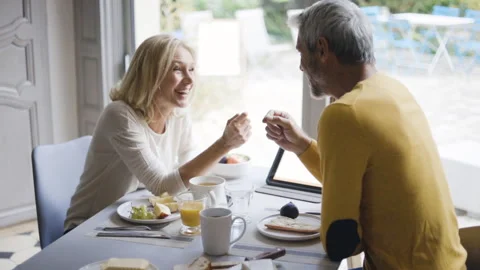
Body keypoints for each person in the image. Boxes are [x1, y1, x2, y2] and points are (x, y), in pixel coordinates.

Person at [262, 0, 467, 269]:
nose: (301, 66)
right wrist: (301, 145)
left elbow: (340, 243)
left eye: (302, 52)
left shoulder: (345, 113)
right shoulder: (392, 90)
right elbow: (359, 180)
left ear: (322, 49)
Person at [65, 35, 251, 232]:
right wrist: (224, 145)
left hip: (136, 223)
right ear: (150, 74)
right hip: (89, 228)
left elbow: (189, 175)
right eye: (177, 69)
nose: (189, 80)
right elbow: (162, 187)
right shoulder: (120, 115)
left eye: (192, 69)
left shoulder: (177, 114)